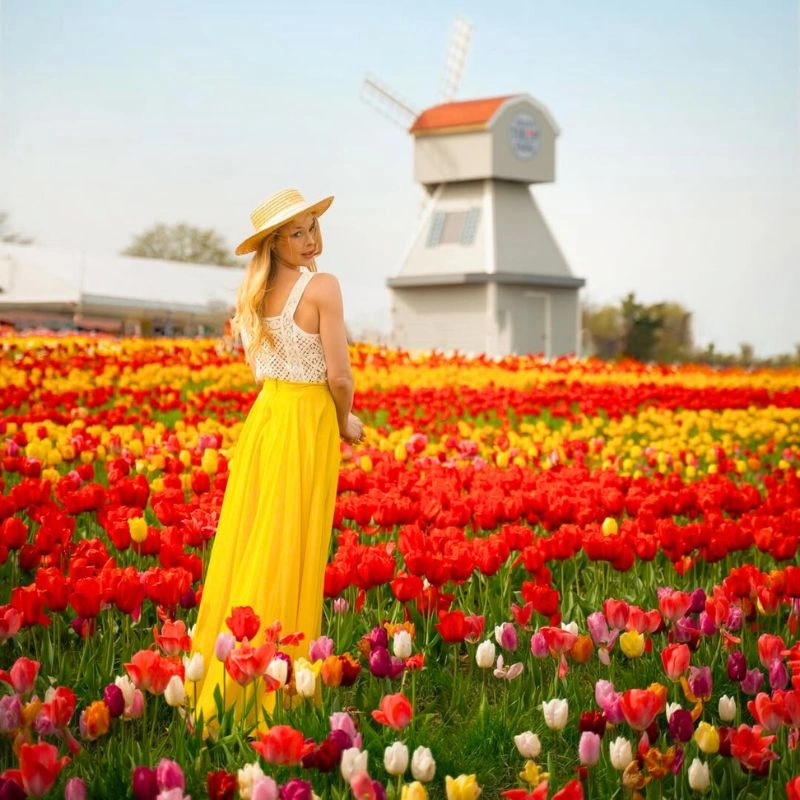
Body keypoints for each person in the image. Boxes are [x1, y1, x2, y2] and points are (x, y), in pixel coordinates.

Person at [185, 188, 363, 734]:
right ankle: (275, 688)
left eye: (312, 226)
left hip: (266, 421)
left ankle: (229, 672)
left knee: (255, 540)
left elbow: (261, 371)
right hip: (306, 423)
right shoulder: (323, 287)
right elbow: (339, 375)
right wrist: (343, 422)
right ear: (274, 242)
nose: (311, 239)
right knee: (291, 542)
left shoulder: (253, 296)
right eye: (297, 232)